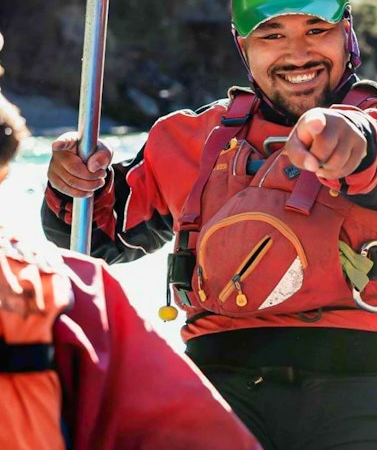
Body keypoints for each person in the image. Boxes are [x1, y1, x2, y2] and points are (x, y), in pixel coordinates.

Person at [41, 0, 377, 449]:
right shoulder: (186, 141)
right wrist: (72, 184)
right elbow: (93, 238)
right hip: (222, 389)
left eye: (317, 29)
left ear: (346, 35)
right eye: (272, 34)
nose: (298, 53)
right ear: (243, 46)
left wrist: (351, 143)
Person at [0, 70, 258, 448]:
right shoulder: (64, 292)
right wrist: (76, 192)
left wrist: (81, 190)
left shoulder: (65, 292)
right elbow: (101, 237)